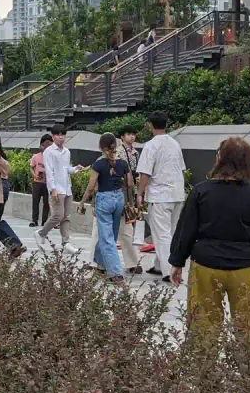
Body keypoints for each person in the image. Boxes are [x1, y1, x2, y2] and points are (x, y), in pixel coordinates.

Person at [169, 137, 250, 346]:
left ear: (219, 158)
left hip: (206, 265)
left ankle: (201, 373)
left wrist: (177, 261)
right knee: (249, 329)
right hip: (246, 268)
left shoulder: (201, 191)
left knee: (203, 326)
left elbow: (186, 229)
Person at [137, 111, 186, 283]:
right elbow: (181, 169)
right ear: (166, 124)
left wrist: (139, 194)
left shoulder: (151, 145)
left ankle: (168, 271)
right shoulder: (175, 144)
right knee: (171, 232)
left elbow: (145, 173)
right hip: (177, 193)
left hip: (160, 195)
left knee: (162, 234)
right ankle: (159, 265)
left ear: (150, 125)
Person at [79, 133, 133, 285]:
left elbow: (91, 187)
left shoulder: (99, 164)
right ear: (115, 146)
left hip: (104, 199)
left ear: (101, 147)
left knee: (106, 238)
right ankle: (100, 263)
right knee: (111, 234)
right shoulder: (123, 163)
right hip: (119, 199)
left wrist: (83, 202)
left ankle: (116, 273)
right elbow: (129, 184)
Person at [34, 124, 86, 254]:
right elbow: (49, 171)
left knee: (66, 217)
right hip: (57, 189)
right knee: (58, 215)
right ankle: (41, 233)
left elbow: (66, 169)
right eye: (58, 135)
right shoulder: (49, 152)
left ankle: (66, 242)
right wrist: (53, 189)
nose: (61, 137)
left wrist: (75, 169)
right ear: (53, 136)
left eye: (63, 134)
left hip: (67, 188)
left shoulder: (66, 151)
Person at [116, 126, 144, 272]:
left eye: (134, 134)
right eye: (128, 134)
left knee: (129, 225)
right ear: (122, 136)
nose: (132, 137)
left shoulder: (136, 153)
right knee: (124, 228)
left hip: (132, 191)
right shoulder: (118, 152)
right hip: (121, 191)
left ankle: (132, 262)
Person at [29, 134, 53, 227]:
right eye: (45, 144)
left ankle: (44, 221)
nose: (47, 146)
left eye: (49, 144)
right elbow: (31, 167)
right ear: (41, 145)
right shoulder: (36, 156)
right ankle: (34, 220)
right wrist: (34, 174)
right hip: (37, 182)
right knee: (35, 201)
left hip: (48, 183)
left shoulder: (52, 157)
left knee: (46, 203)